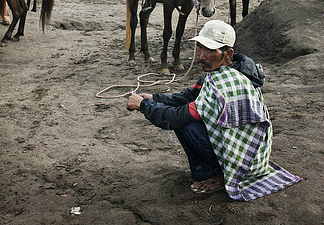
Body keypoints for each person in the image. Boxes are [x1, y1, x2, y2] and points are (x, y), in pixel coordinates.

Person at [126, 20, 301, 201]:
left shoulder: (225, 85)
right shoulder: (230, 70)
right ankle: (217, 168)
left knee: (186, 126)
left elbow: (178, 117)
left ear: (228, 53)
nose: (202, 56)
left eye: (210, 50)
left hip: (244, 159)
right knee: (188, 116)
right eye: (200, 48)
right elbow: (191, 94)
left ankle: (215, 175)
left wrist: (143, 105)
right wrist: (155, 98)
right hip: (245, 148)